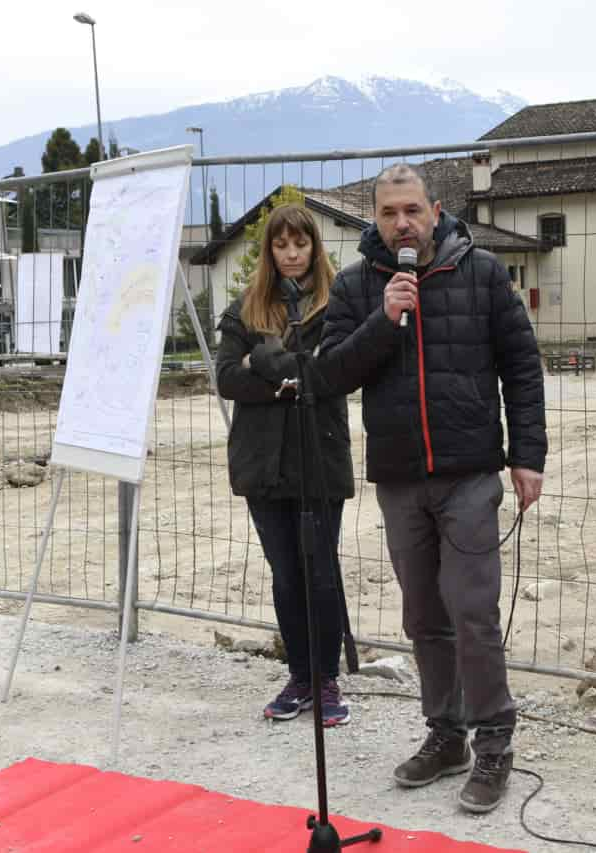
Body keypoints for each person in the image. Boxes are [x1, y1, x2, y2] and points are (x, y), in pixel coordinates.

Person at [258, 164, 547, 813]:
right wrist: (384, 320)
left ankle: (495, 739)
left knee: (472, 610)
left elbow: (522, 364)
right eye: (389, 213)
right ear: (376, 219)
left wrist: (528, 454)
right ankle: (446, 734)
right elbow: (329, 374)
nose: (402, 223)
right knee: (423, 615)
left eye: (412, 209)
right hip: (399, 478)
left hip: (470, 470)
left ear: (435, 210)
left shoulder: (482, 272)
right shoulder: (361, 286)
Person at [214, 203, 358, 727]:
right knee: (285, 577)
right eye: (281, 245)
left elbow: (332, 371)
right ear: (270, 253)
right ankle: (299, 675)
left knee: (320, 572)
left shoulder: (335, 304)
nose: (292, 254)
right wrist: (287, 376)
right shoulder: (244, 309)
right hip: (262, 464)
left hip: (318, 458)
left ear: (314, 248)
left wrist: (265, 361)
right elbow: (228, 377)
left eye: (301, 244)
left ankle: (326, 679)